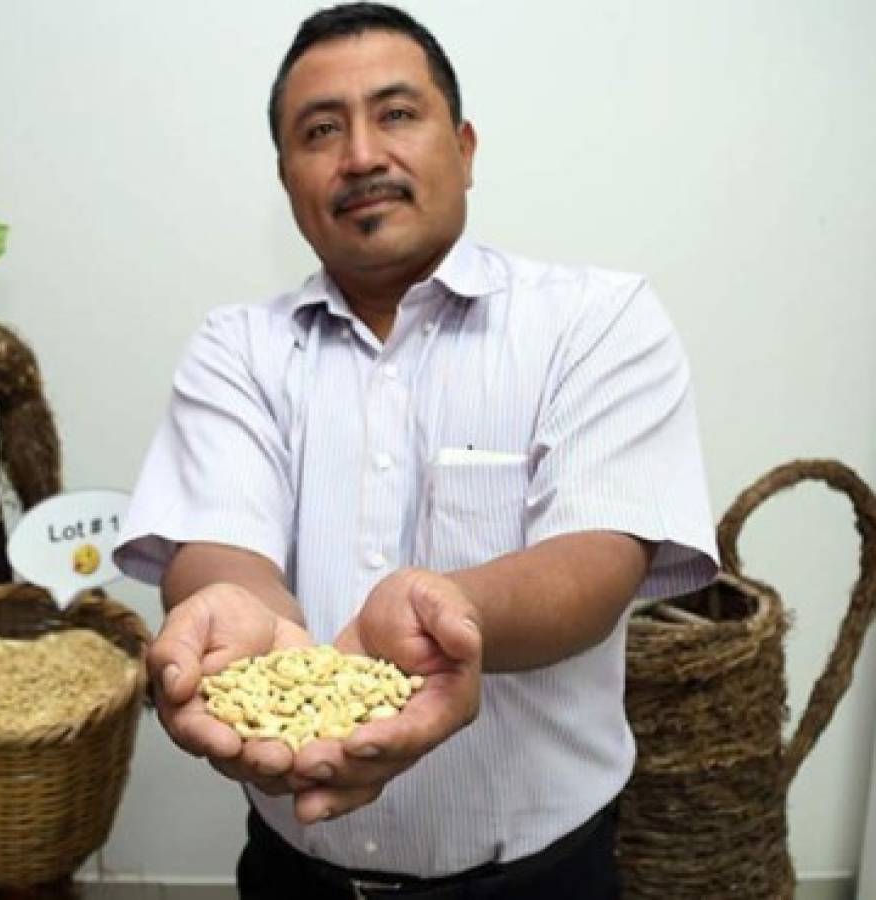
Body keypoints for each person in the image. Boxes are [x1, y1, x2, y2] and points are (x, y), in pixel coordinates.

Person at [114, 4, 717, 897]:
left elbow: (598, 560)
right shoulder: (236, 347)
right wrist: (243, 629)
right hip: (293, 874)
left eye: (397, 114)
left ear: (464, 146)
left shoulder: (597, 321)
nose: (360, 154)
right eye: (321, 131)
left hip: (539, 878)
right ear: (286, 178)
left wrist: (445, 608)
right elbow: (217, 542)